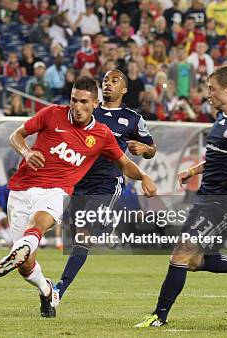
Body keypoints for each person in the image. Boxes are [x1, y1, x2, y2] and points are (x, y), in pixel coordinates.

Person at [135, 66, 227, 327]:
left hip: (226, 203)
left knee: (181, 253)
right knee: (193, 260)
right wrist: (193, 170)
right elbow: (219, 156)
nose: (208, 94)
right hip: (205, 198)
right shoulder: (221, 119)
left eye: (212, 89)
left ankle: (158, 316)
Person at [0, 76, 157, 318]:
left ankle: (45, 268)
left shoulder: (103, 134)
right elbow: (15, 136)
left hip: (59, 190)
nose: (77, 107)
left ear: (93, 103)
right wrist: (27, 153)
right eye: (73, 101)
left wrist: (143, 176)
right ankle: (46, 289)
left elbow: (124, 163)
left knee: (50, 227)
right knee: (26, 266)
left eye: (83, 102)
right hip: (21, 189)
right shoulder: (51, 114)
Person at [56, 69, 157, 299]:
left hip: (108, 183)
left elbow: (151, 148)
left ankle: (59, 289)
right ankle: (105, 223)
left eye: (114, 81)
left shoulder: (133, 119)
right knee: (76, 237)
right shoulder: (88, 110)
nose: (108, 84)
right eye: (105, 81)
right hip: (80, 182)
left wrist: (145, 150)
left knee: (83, 235)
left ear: (124, 89)